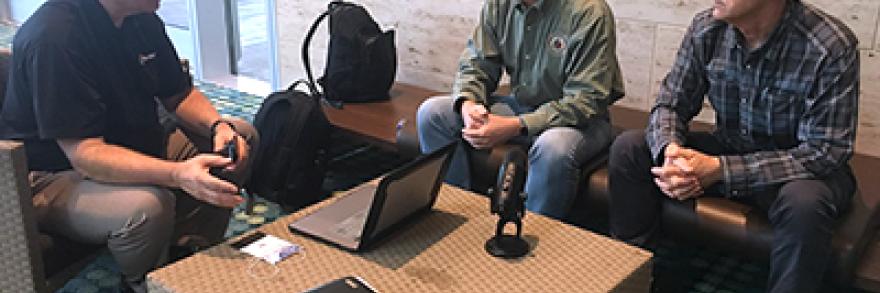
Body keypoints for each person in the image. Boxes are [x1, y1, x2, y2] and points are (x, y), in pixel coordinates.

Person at [0, 0, 259, 292]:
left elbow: (179, 94)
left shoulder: (140, 18)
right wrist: (176, 173)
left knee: (239, 137)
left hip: (128, 142)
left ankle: (185, 252)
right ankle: (143, 282)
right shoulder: (54, 38)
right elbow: (86, 154)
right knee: (147, 207)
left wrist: (218, 126)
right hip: (52, 174)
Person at [608, 0, 859, 292]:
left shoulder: (830, 45)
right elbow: (670, 104)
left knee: (805, 202)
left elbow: (825, 150)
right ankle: (634, 279)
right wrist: (671, 151)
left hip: (796, 170)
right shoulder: (707, 28)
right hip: (731, 147)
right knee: (630, 148)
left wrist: (720, 170)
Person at [417, 0, 624, 219]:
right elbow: (476, 64)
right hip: (521, 107)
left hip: (580, 121)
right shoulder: (498, 5)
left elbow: (586, 100)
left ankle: (530, 234)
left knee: (552, 148)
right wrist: (469, 104)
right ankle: (457, 215)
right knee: (433, 113)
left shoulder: (590, 12)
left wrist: (516, 126)